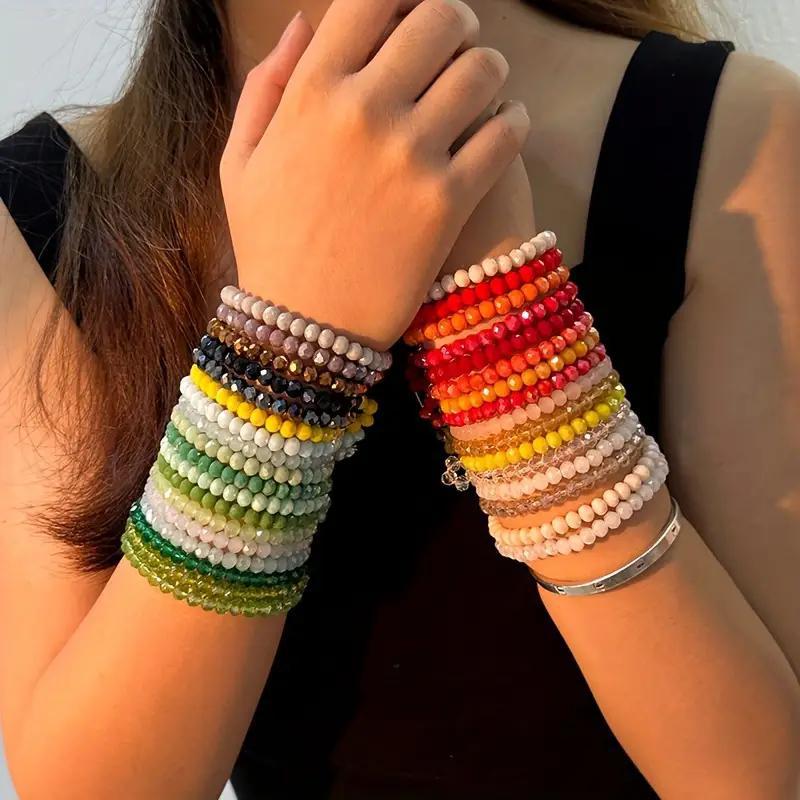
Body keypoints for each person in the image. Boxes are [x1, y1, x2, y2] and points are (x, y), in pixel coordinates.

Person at [0, 0, 799, 798]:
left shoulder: (731, 130)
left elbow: (761, 778)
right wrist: (287, 339)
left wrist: (502, 336)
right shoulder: (49, 208)